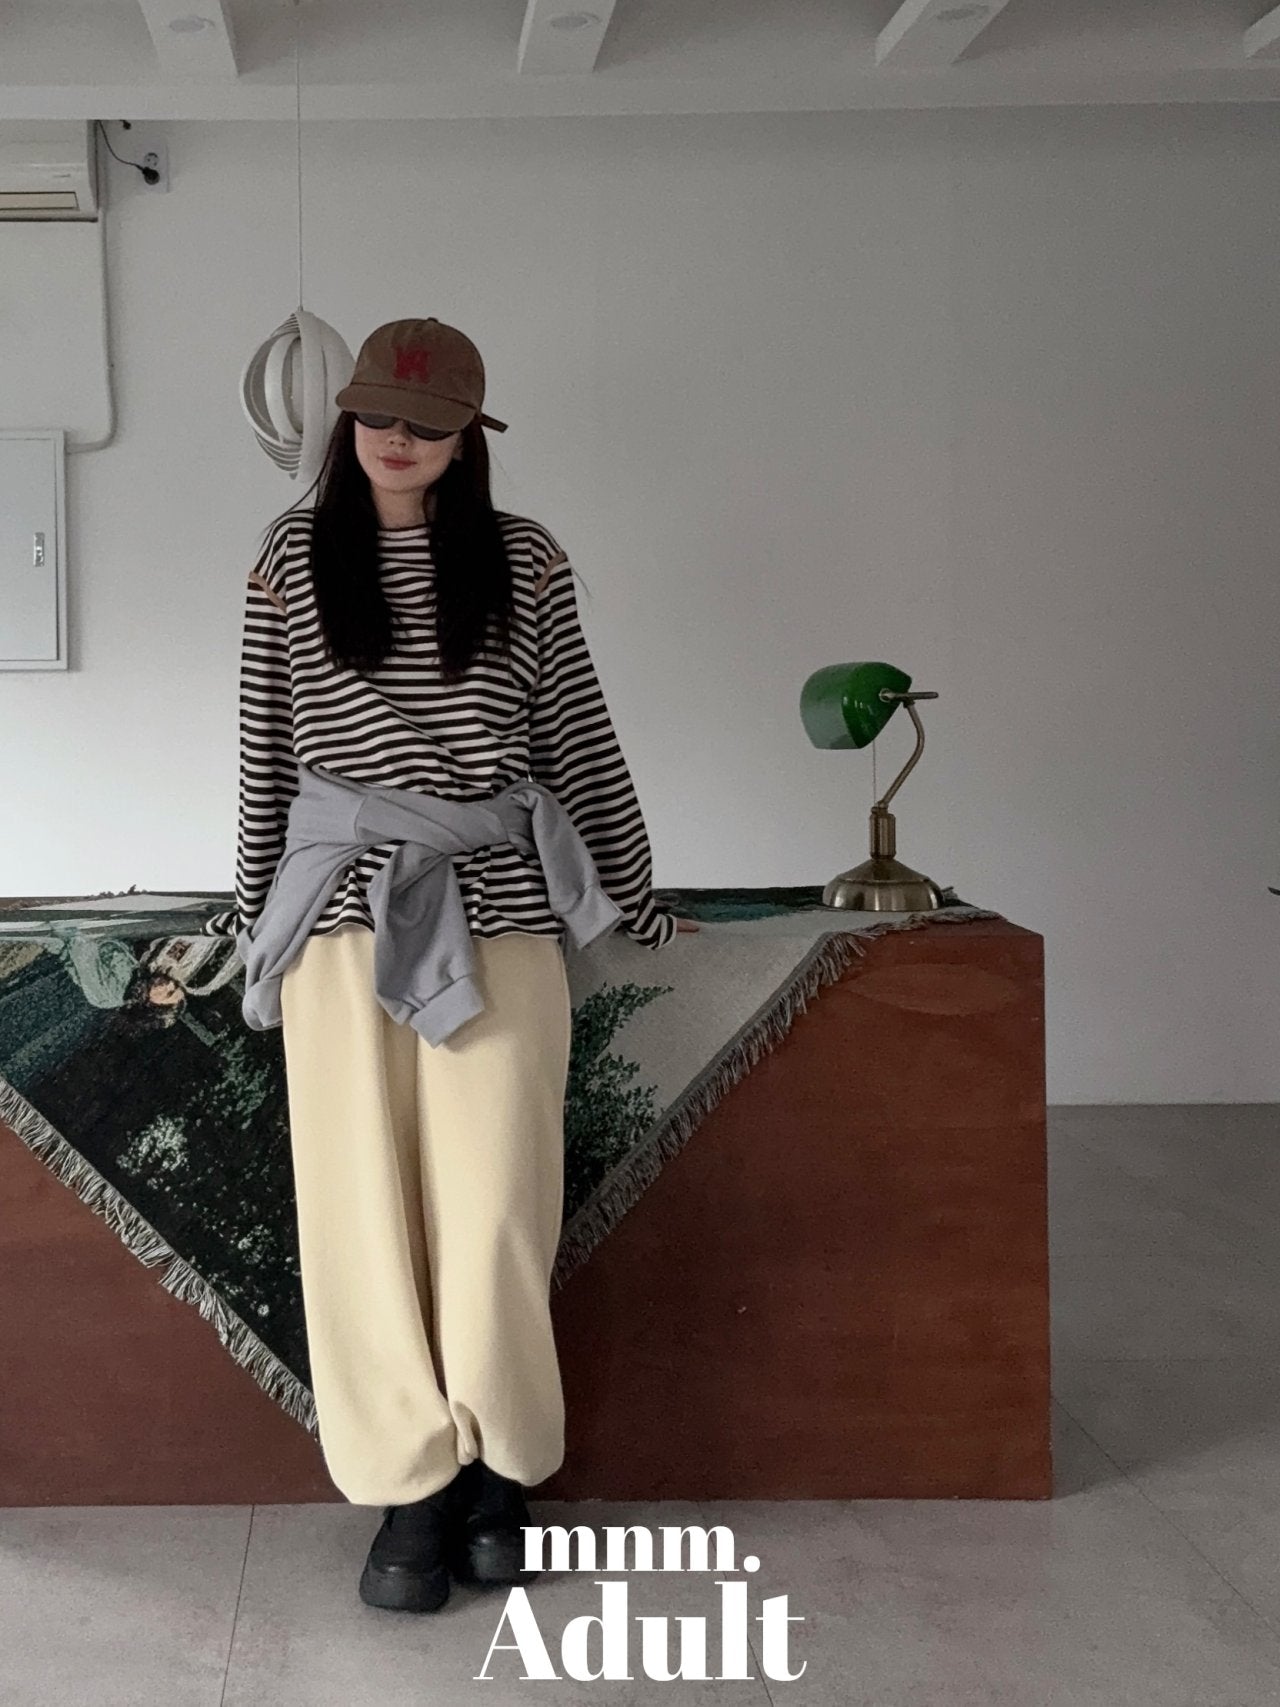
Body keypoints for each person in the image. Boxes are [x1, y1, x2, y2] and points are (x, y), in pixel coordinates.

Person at [200, 316, 697, 1613]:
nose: (398, 438)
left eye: (426, 421)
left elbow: (576, 732)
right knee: (359, 1213)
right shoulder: (289, 557)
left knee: (497, 1206)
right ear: (347, 418)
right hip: (340, 917)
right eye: (377, 413)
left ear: (469, 433)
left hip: (501, 909)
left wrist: (636, 897)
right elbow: (265, 753)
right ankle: (408, 1486)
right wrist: (257, 923)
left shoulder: (526, 559)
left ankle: (499, 1470)